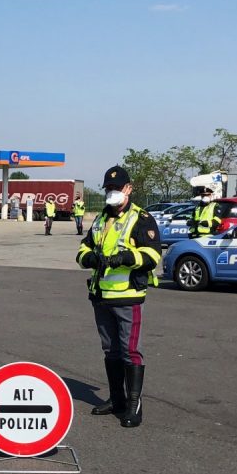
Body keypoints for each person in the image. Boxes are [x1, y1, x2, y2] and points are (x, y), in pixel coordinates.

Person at [76, 166, 162, 428]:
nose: (112, 193)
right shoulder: (101, 219)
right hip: (101, 295)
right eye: (108, 189)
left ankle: (134, 404)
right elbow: (84, 248)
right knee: (110, 350)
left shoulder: (141, 219)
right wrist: (89, 257)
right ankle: (117, 399)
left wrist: (127, 257)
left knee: (129, 351)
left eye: (117, 188)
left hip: (128, 296)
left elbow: (153, 256)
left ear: (129, 189)